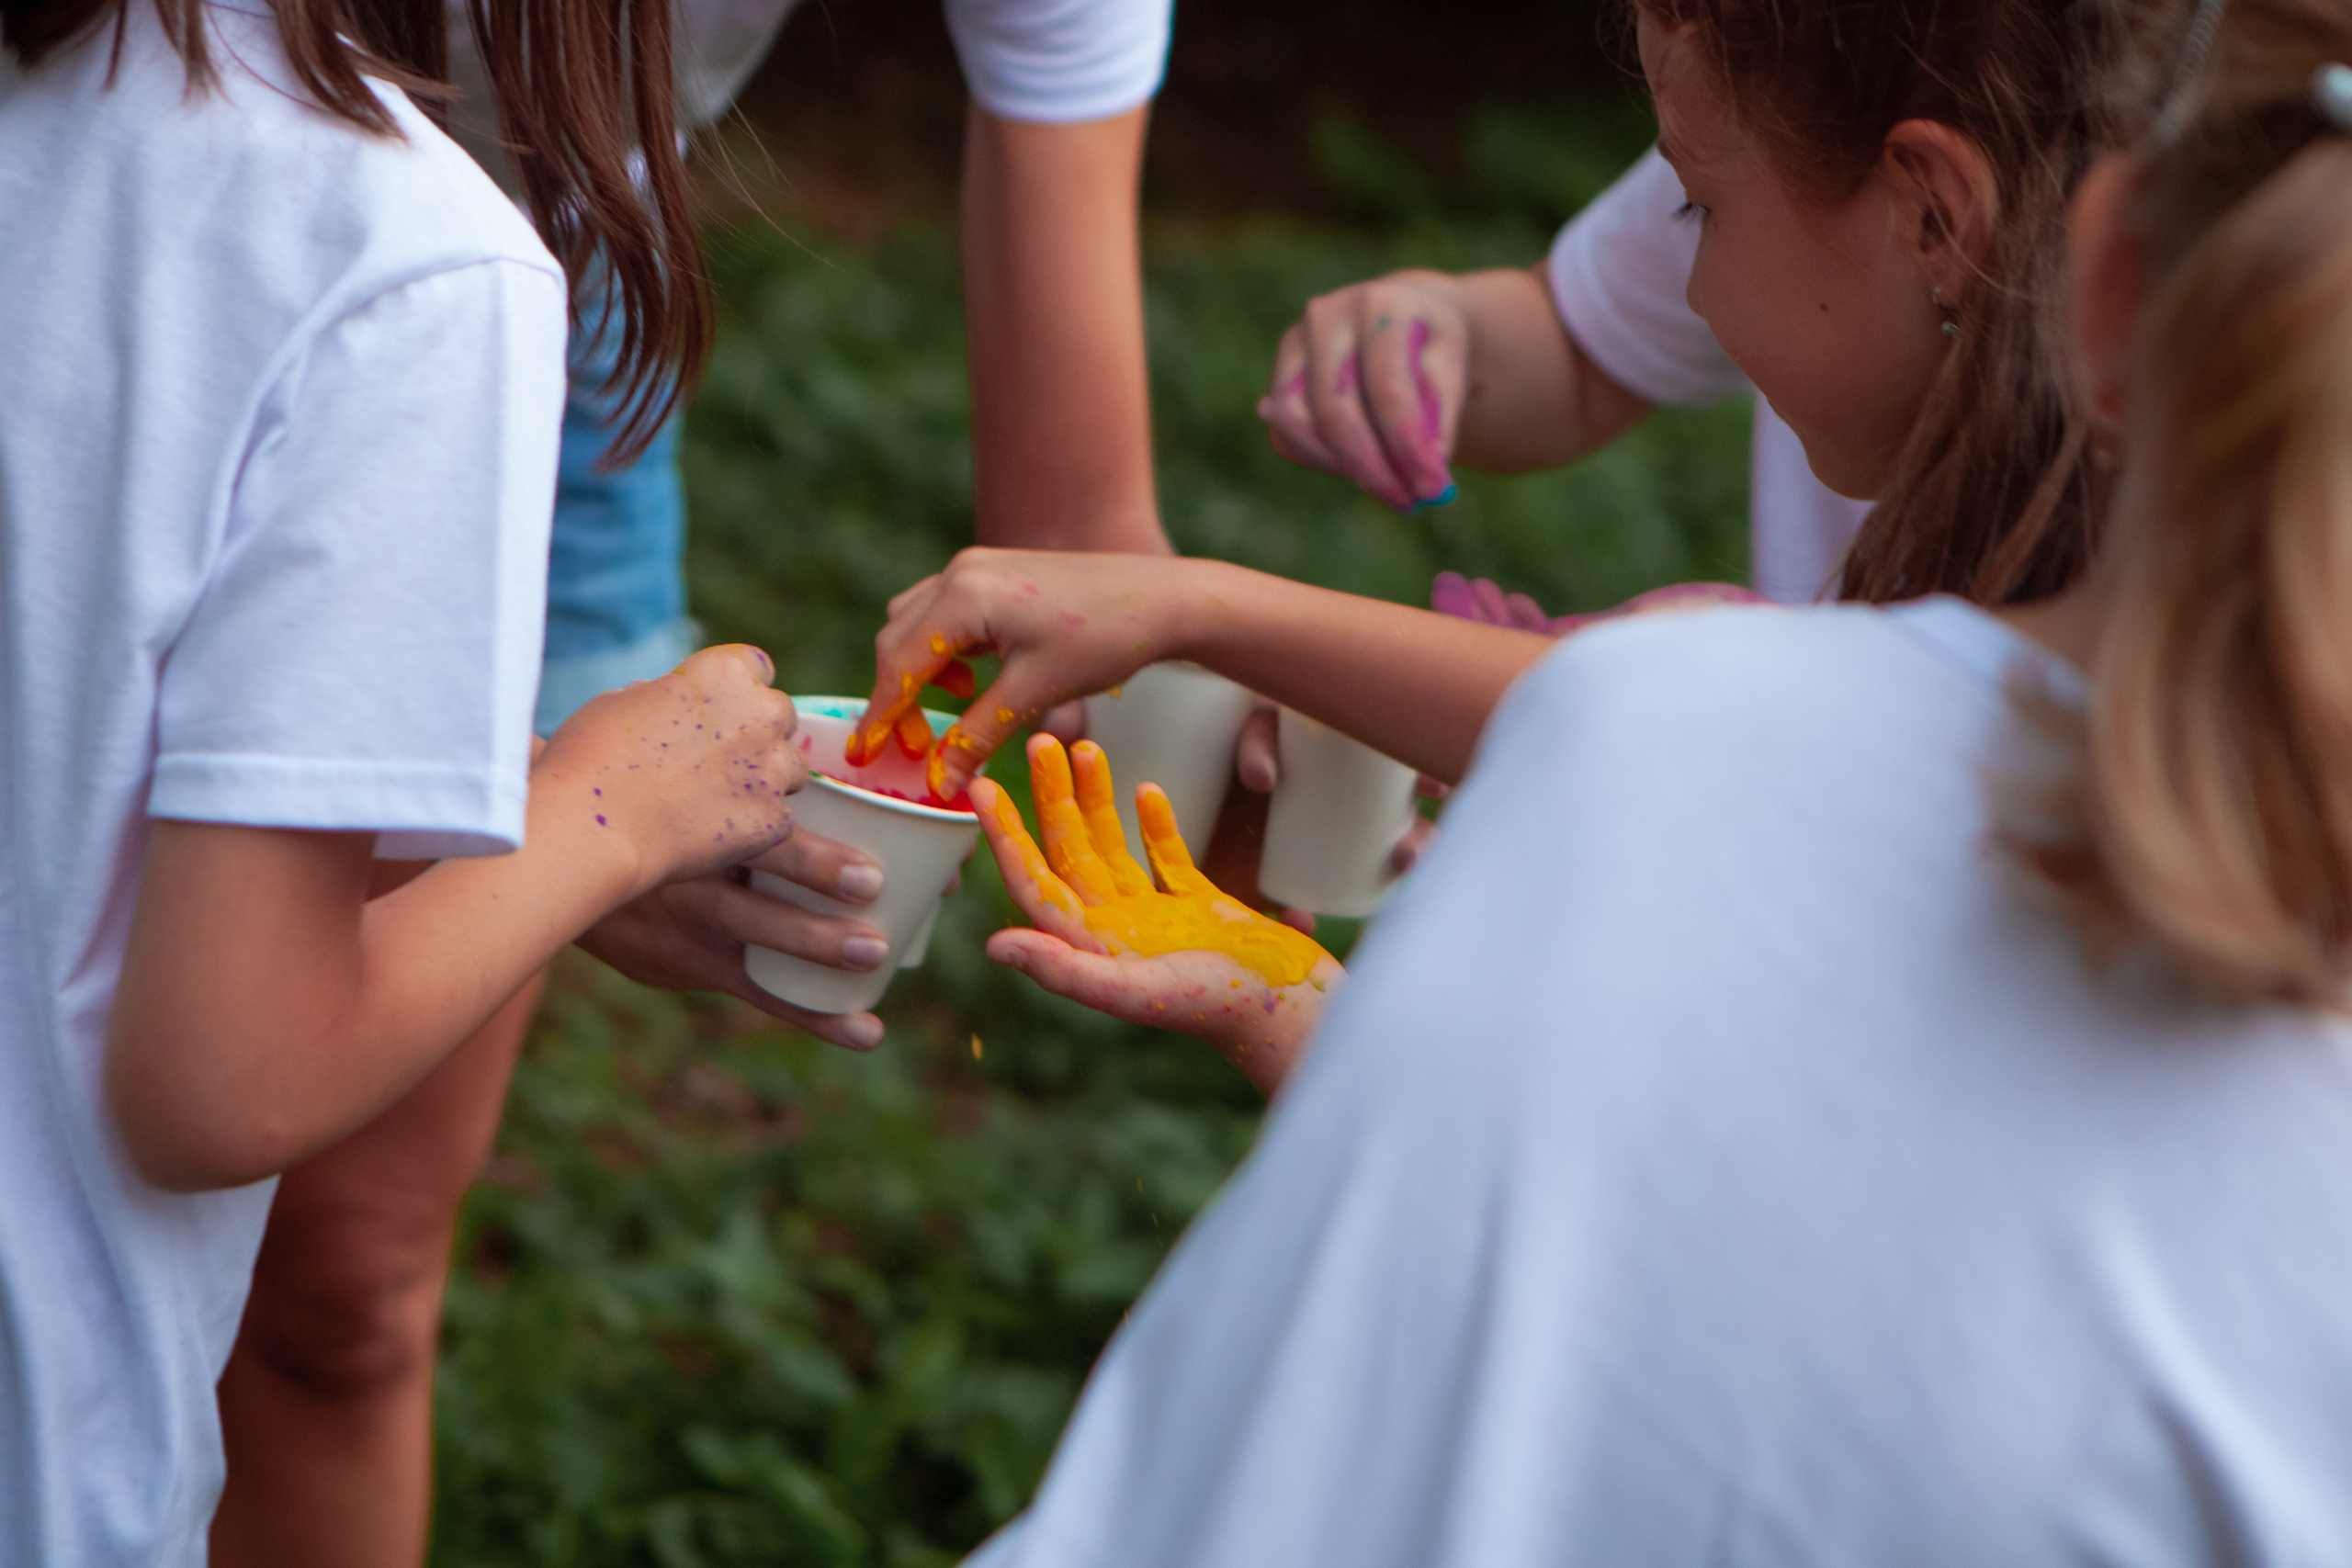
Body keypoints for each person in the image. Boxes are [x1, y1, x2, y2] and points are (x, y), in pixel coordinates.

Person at [945, 0, 2352, 1557]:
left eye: (1699, 203)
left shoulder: (1668, 754)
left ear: (2100, 286)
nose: (1687, 271)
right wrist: (1303, 1005)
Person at [209, 1, 1178, 1561]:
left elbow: (1079, 547)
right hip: (198, 265)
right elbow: (216, 1073)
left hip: (564, 306)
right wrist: (582, 820)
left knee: (346, 1281)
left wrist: (1217, 714)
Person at [0, 0, 813, 1560]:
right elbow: (223, 1078)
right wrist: (603, 817)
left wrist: (524, 815)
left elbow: (75, 709)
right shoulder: (407, 264)